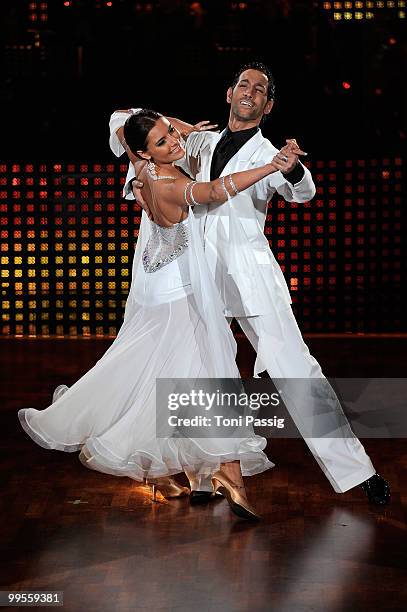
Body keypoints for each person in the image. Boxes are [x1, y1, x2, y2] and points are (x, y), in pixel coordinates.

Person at [110, 62, 390, 505]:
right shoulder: (195, 141)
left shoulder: (270, 154)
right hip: (195, 278)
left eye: (260, 89)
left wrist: (293, 170)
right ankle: (207, 477)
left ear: (267, 105)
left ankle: (358, 472)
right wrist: (176, 124)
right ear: (229, 94)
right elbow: (122, 123)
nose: (250, 91)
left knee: (297, 371)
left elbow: (303, 191)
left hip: (250, 277)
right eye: (243, 84)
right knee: (198, 373)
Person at [18, 108, 302, 520]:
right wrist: (268, 167)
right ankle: (227, 474)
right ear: (146, 152)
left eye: (171, 132)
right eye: (163, 141)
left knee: (176, 376)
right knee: (209, 374)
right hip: (178, 290)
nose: (175, 142)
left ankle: (183, 472)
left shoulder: (140, 167)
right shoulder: (169, 181)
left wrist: (181, 129)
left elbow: (121, 118)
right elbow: (217, 191)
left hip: (154, 281)